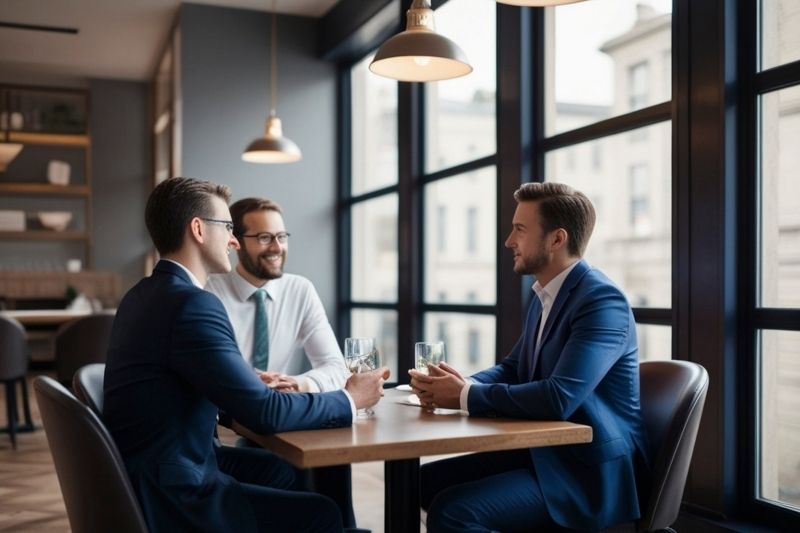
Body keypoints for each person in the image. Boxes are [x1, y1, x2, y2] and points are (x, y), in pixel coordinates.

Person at [103, 177, 389, 533]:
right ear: (198, 229)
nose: (233, 240)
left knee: (285, 471)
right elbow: (265, 413)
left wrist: (244, 379)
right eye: (227, 227)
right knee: (321, 514)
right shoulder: (192, 304)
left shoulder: (143, 293)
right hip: (177, 489)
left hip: (156, 467)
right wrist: (350, 398)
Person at [409, 182, 650, 532]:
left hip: (585, 474)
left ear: (556, 240)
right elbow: (514, 368)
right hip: (542, 453)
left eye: (520, 230)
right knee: (418, 482)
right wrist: (461, 384)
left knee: (454, 511)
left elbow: (558, 397)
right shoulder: (543, 294)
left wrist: (463, 396)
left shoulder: (601, 301)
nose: (509, 241)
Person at [206, 197, 356, 527]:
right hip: (228, 431)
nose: (276, 247)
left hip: (279, 414)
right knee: (292, 465)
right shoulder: (209, 295)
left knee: (333, 448)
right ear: (235, 242)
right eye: (263, 238)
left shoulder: (300, 290)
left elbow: (336, 367)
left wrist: (299, 384)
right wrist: (250, 389)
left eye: (281, 236)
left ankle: (340, 526)